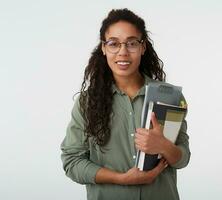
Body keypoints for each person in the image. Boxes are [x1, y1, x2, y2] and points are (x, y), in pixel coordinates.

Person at [60, 8, 190, 200]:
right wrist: (121, 179)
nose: (123, 52)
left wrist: (164, 146)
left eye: (131, 43)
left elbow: (182, 158)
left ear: (143, 47)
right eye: (114, 43)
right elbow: (72, 161)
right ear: (103, 48)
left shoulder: (170, 97)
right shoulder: (86, 103)